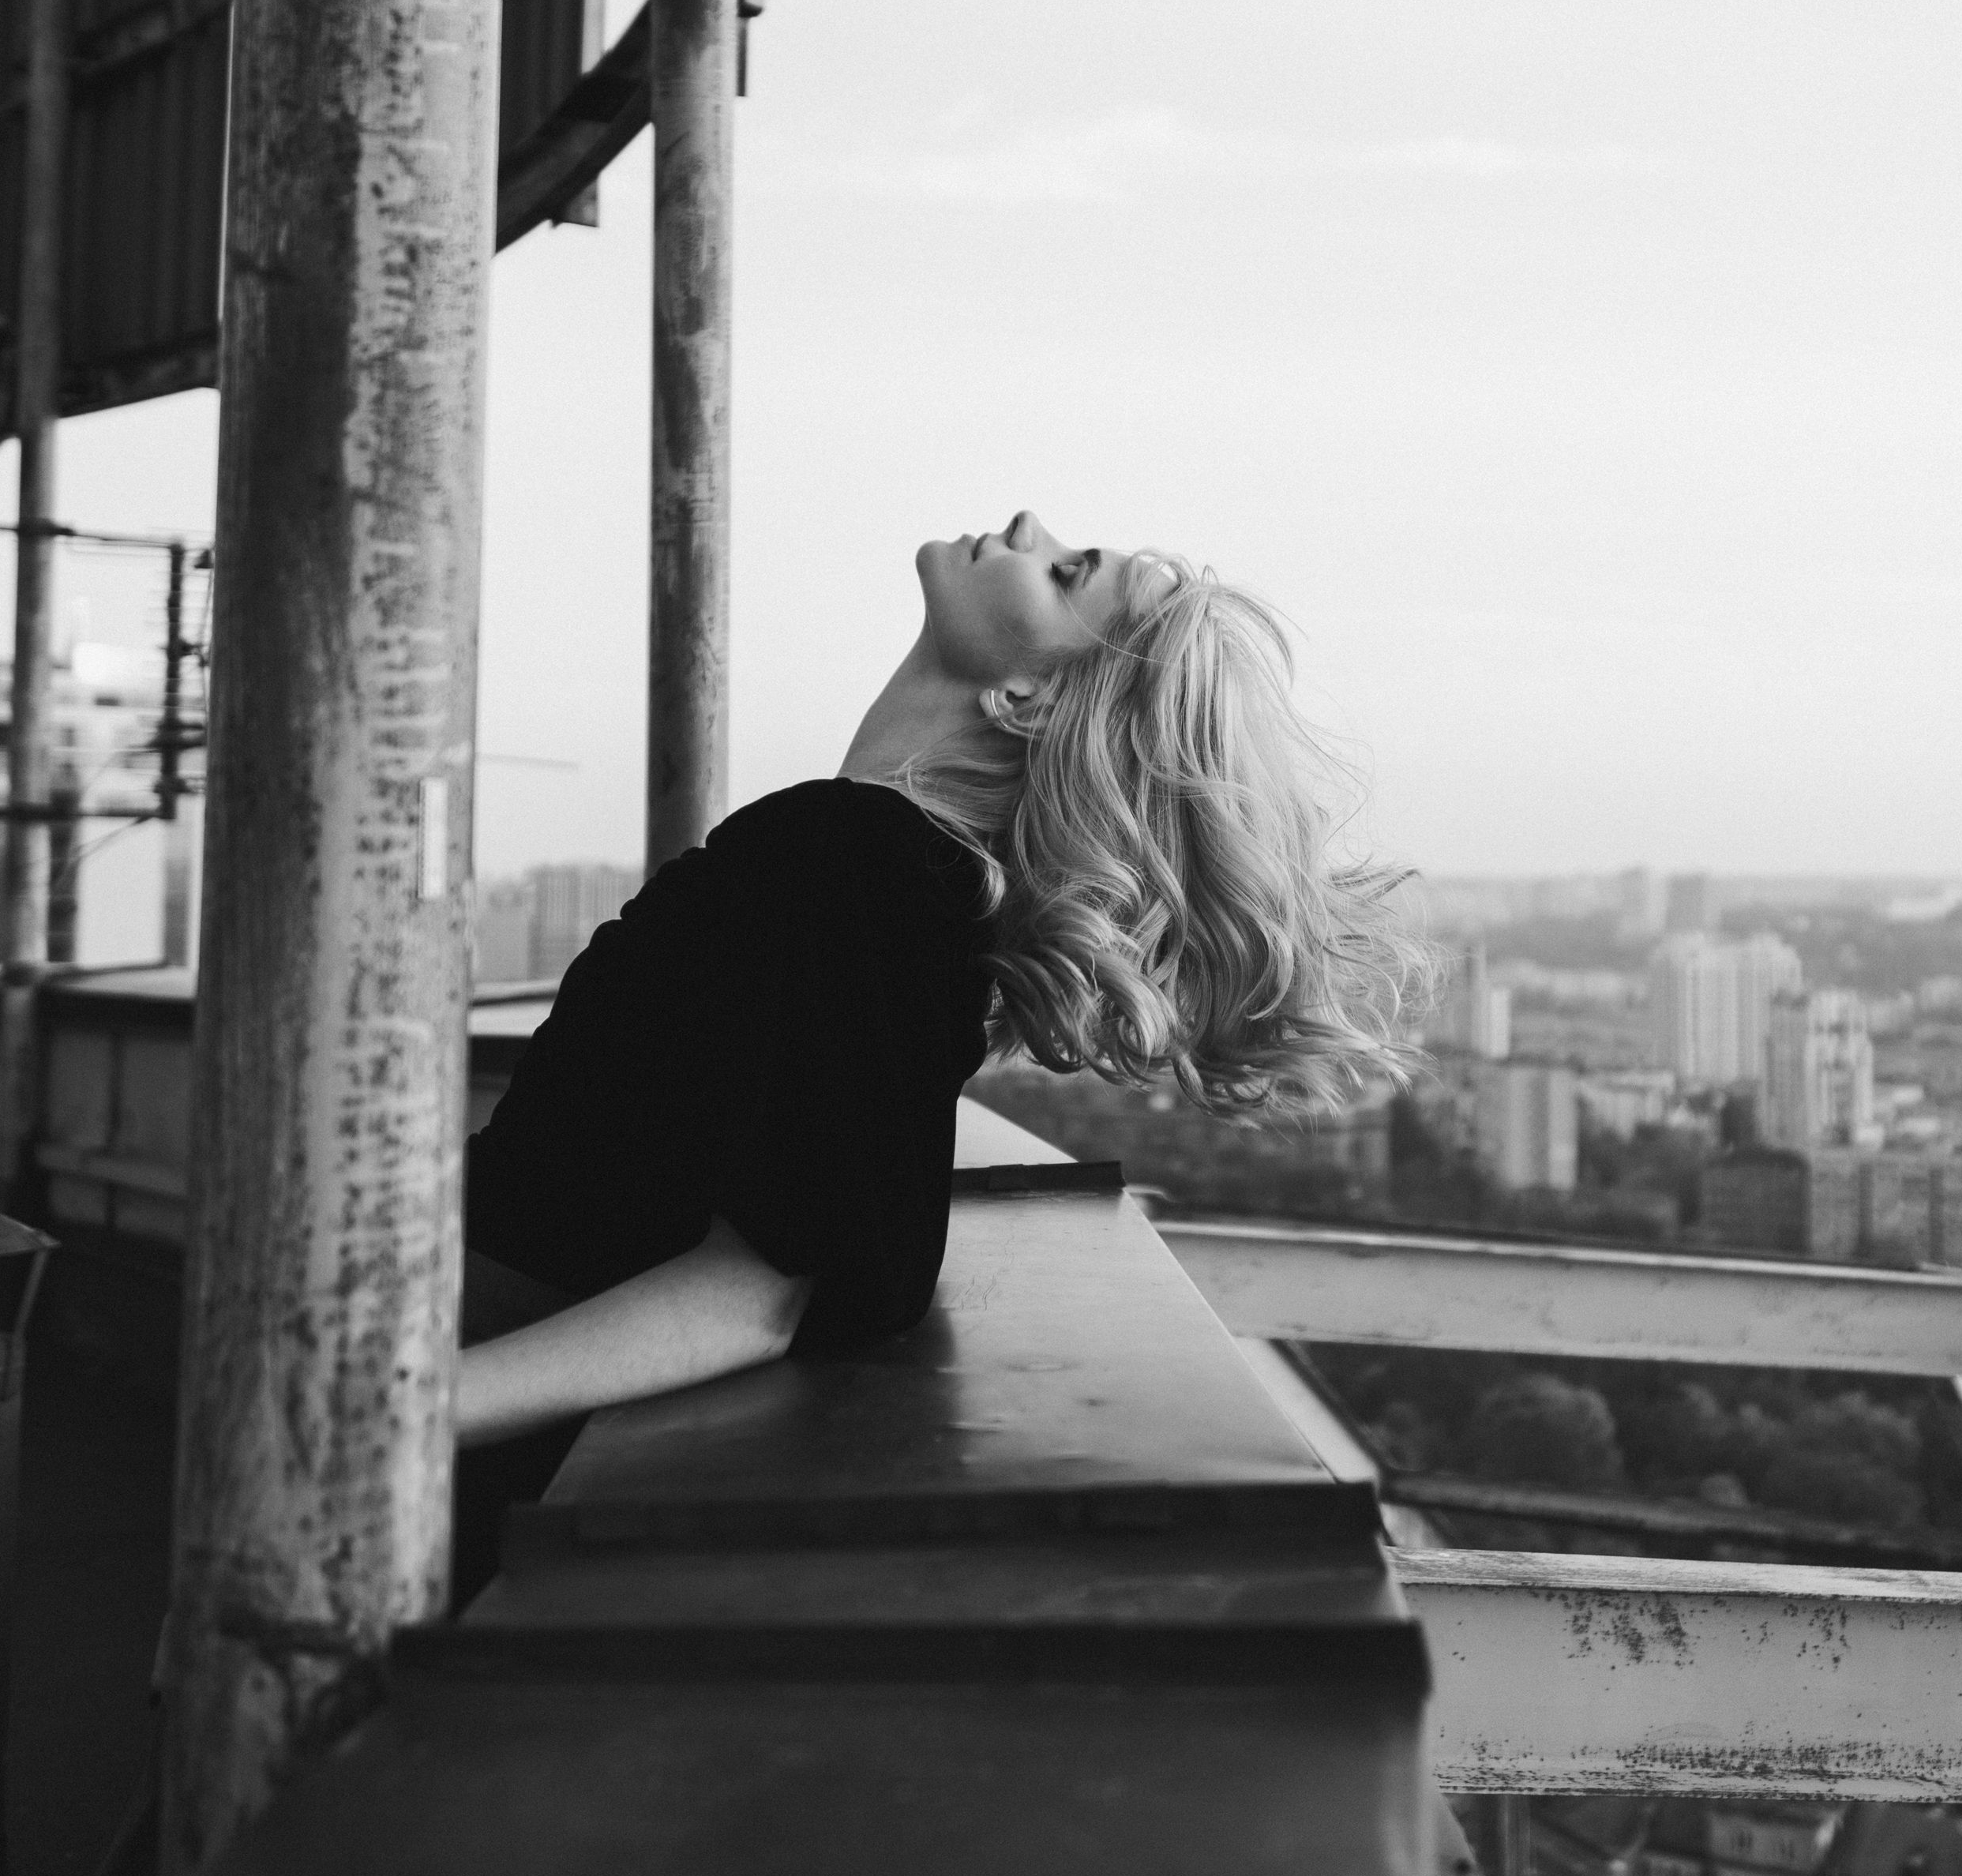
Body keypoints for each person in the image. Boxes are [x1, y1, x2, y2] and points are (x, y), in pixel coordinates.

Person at [446, 509, 1420, 1570]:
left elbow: (766, 1292)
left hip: (462, 1357)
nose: (1025, 525)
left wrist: (408, 1410)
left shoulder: (860, 859)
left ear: (1024, 700)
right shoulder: (883, 868)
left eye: (1066, 571)